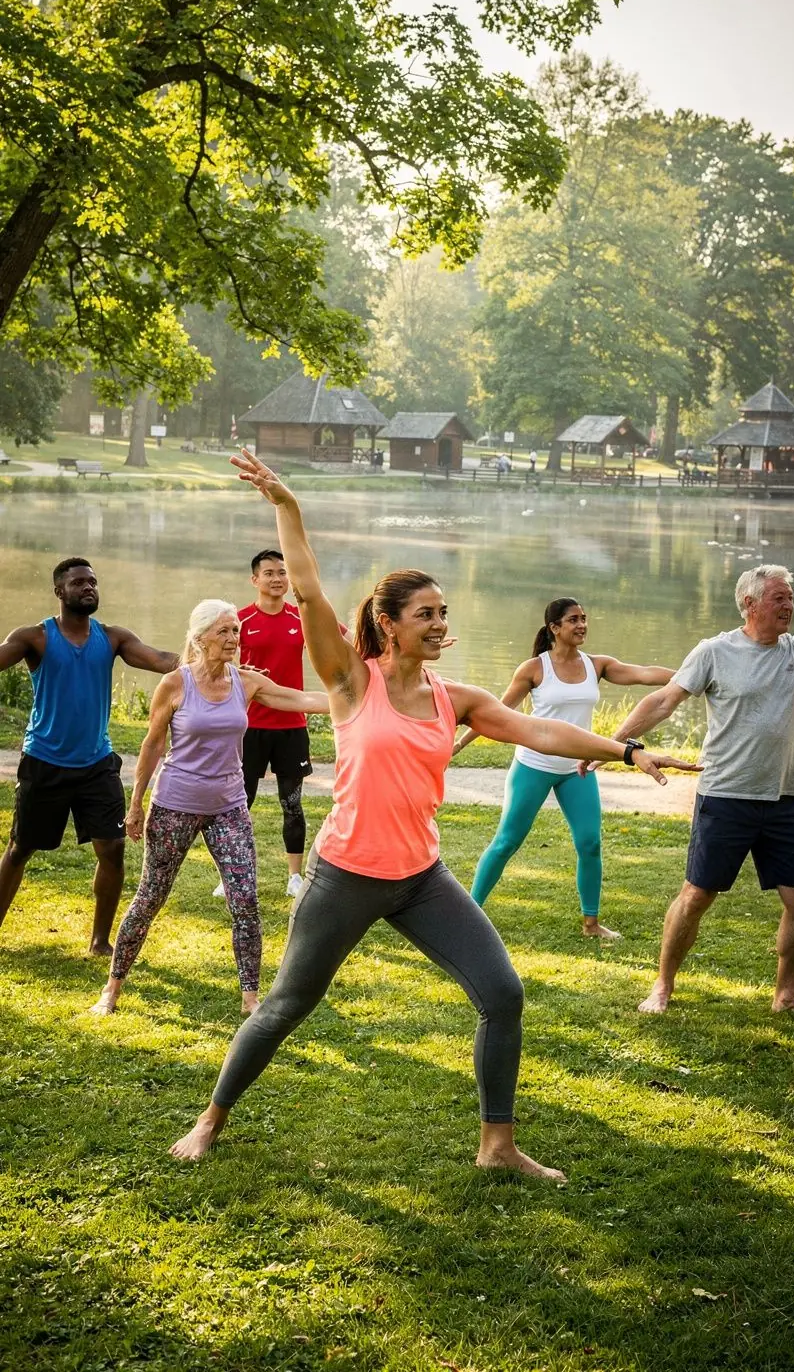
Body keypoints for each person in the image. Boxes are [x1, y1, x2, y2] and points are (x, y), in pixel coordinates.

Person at [169, 449, 696, 1176]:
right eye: (427, 614)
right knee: (286, 1005)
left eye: (444, 612)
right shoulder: (353, 681)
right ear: (389, 624)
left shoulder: (456, 698)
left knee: (502, 993)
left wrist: (627, 749)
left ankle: (497, 1144)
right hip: (346, 874)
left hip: (419, 877)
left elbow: (543, 731)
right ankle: (210, 1119)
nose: (441, 624)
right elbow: (313, 594)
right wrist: (286, 506)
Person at [91, 600, 329, 1017]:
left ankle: (250, 999)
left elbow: (302, 699)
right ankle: (112, 988)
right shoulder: (174, 684)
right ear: (200, 638)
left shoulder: (247, 682)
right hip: (175, 805)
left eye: (236, 630)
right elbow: (151, 746)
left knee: (245, 900)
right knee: (150, 897)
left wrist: (362, 694)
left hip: (229, 807)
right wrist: (135, 806)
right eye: (223, 631)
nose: (233, 638)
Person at [608, 564, 794, 1015]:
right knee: (697, 895)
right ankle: (662, 985)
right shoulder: (714, 652)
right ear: (750, 603)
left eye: (790, 598)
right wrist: (614, 743)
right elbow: (662, 700)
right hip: (726, 795)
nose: (789, 606)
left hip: (783, 799)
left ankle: (786, 995)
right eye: (779, 598)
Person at [456, 598, 676, 939]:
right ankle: (468, 917)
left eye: (584, 618)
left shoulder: (597, 665)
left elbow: (644, 674)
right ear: (554, 628)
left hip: (578, 770)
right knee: (506, 842)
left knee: (590, 843)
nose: (582, 624)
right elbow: (497, 711)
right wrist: (459, 744)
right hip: (534, 765)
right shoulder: (534, 669)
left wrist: (692, 677)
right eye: (574, 620)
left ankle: (591, 924)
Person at [0, 558, 177, 955]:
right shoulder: (35, 637)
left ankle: (100, 941)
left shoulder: (112, 638)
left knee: (112, 848)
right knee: (20, 848)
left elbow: (161, 660)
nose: (89, 587)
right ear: (59, 591)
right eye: (79, 582)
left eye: (93, 581)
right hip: (44, 761)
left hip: (97, 764)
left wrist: (209, 660)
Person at [212, 548, 336, 901]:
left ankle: (295, 877)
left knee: (292, 804)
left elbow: (347, 641)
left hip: (291, 726)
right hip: (248, 727)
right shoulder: (239, 620)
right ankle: (228, 875)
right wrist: (241, 674)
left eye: (283, 572)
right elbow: (211, 660)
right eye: (269, 573)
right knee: (239, 803)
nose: (278, 578)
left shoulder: (302, 617)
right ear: (255, 580)